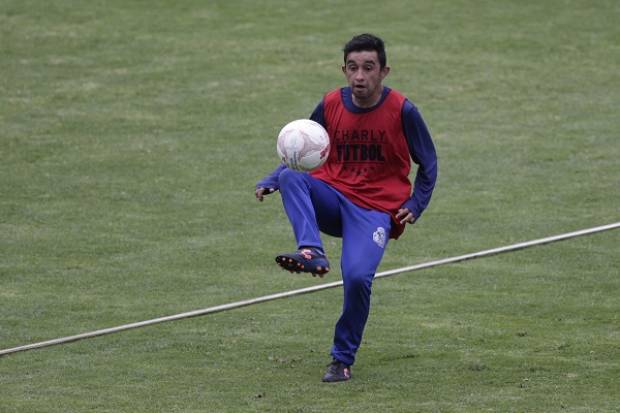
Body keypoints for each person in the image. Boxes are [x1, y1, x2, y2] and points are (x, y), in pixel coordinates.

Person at [255, 33, 438, 382]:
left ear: (384, 71)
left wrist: (417, 203)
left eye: (368, 68)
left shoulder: (403, 110)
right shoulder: (330, 104)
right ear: (343, 69)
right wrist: (272, 178)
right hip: (332, 197)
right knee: (292, 180)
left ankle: (341, 360)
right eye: (352, 68)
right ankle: (311, 251)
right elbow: (298, 153)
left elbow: (428, 163)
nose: (359, 76)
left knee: (357, 278)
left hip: (373, 212)